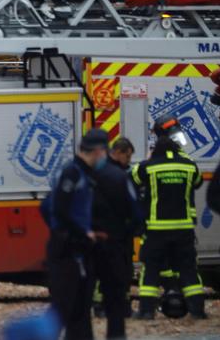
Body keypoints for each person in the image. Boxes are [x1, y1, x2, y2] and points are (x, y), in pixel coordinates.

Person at [131, 114, 206, 319]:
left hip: (157, 229)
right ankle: (198, 311)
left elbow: (132, 179)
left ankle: (146, 312)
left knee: (152, 270)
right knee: (189, 270)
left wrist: (149, 157)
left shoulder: (149, 166)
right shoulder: (189, 165)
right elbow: (198, 182)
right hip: (183, 229)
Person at [42, 128, 109, 340]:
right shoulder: (72, 173)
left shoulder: (85, 174)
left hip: (79, 249)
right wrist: (81, 232)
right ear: (98, 151)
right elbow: (56, 208)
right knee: (65, 308)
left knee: (80, 309)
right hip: (68, 250)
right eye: (104, 151)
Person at [90, 137, 143, 339]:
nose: (129, 161)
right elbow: (134, 208)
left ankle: (99, 305)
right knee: (119, 274)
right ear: (118, 152)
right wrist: (135, 227)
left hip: (98, 236)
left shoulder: (92, 174)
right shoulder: (120, 176)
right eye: (127, 156)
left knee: (100, 274)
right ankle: (119, 313)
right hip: (119, 236)